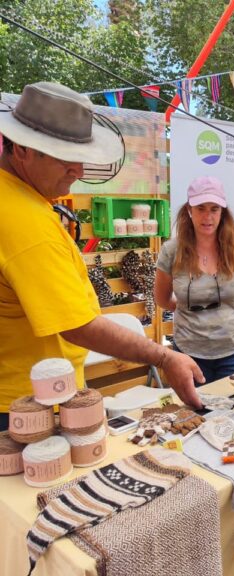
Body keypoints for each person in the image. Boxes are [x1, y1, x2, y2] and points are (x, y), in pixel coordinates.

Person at [0, 81, 204, 432]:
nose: (78, 171)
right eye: (66, 158)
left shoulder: (19, 199)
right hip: (26, 406)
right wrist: (164, 356)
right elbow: (79, 326)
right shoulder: (25, 221)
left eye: (81, 158)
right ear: (22, 150)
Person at [154, 176, 234, 384]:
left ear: (223, 211)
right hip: (189, 353)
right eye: (201, 208)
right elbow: (161, 299)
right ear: (189, 210)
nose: (208, 217)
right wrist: (185, 307)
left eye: (214, 209)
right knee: (196, 413)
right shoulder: (171, 251)